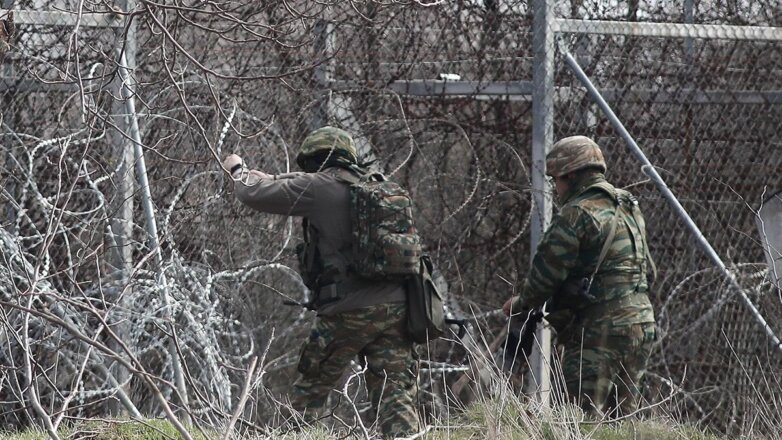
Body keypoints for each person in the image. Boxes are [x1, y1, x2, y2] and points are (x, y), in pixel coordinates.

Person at [223, 126, 419, 438]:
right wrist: (271, 177)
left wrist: (237, 169)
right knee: (395, 399)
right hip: (397, 307)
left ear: (316, 160)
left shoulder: (318, 187)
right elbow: (284, 182)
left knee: (309, 392)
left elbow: (253, 193)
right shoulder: (378, 187)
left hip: (347, 309)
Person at [502, 135, 656, 417]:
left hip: (599, 330)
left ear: (572, 176)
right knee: (624, 421)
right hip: (641, 323)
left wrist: (520, 302)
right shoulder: (628, 205)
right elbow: (648, 269)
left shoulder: (576, 213)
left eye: (557, 180)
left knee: (583, 418)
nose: (556, 188)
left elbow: (545, 276)